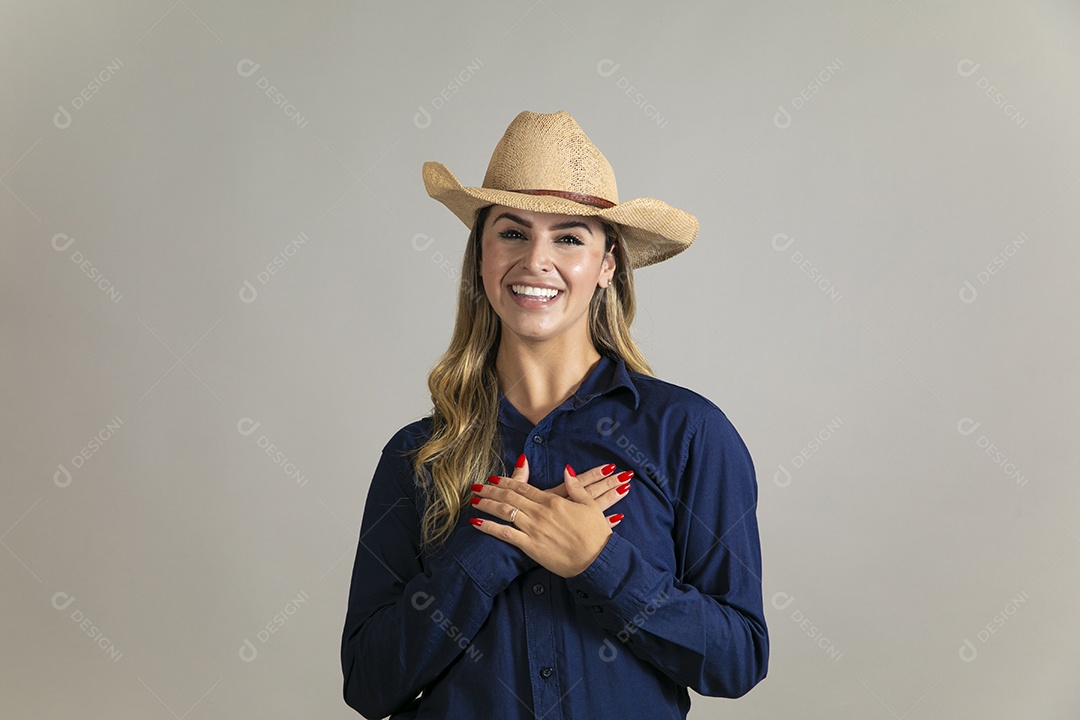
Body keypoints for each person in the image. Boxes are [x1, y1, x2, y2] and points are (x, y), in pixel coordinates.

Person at [341, 110, 768, 719]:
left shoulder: (689, 434)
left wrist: (601, 562)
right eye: (512, 233)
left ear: (608, 265)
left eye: (569, 238)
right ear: (481, 256)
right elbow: (368, 683)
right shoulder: (418, 454)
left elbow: (737, 661)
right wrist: (490, 552)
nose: (536, 261)